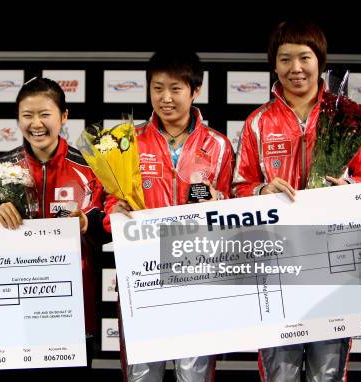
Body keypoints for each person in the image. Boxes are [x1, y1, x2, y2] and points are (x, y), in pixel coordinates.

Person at [232, 20, 361, 382]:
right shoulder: (257, 122)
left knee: (327, 374)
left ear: (320, 62)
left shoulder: (347, 118)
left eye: (304, 57)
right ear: (274, 65)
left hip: (333, 265)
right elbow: (238, 186)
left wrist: (347, 186)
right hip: (275, 266)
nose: (295, 68)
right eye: (285, 59)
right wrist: (259, 192)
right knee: (279, 373)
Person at [105, 51, 235, 382]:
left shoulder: (218, 146)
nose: (165, 98)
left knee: (194, 375)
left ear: (196, 90)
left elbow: (232, 211)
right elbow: (109, 206)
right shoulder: (126, 142)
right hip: (143, 276)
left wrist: (219, 203)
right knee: (142, 375)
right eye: (157, 88)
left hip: (200, 277)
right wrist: (115, 215)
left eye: (175, 89)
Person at [0, 77, 110, 365]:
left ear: (64, 116)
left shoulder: (89, 169)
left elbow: (108, 222)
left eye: (45, 114)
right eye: (27, 115)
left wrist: (86, 222)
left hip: (73, 306)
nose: (36, 123)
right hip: (15, 307)